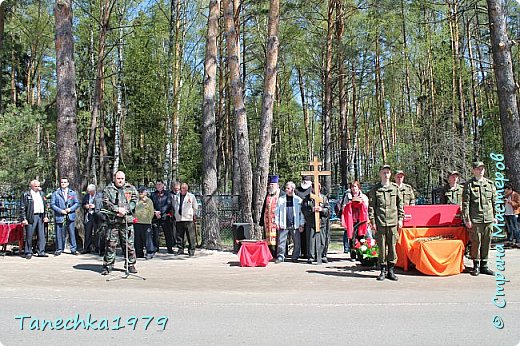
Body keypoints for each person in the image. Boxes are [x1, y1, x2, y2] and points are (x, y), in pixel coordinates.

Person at [369, 165, 404, 281]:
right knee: (382, 247)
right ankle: (383, 270)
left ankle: (391, 270)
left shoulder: (395, 188)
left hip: (393, 222)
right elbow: (372, 207)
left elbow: (400, 205)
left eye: (388, 172)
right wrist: (372, 221)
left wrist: (400, 219)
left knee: (392, 247)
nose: (386, 175)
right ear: (380, 174)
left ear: (390, 174)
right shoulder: (375, 189)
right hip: (380, 222)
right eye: (384, 172)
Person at [101, 171, 138, 275]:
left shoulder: (130, 188)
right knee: (110, 244)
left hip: (127, 221)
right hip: (113, 222)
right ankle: (108, 266)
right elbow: (105, 202)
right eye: (118, 178)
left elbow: (135, 200)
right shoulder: (108, 189)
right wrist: (117, 209)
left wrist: (125, 210)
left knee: (129, 245)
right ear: (114, 179)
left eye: (122, 178)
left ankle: (130, 265)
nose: (120, 180)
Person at [462, 161, 496, 276]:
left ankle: (484, 265)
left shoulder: (490, 184)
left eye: (482, 168)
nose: (480, 170)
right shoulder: (469, 185)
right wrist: (467, 219)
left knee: (487, 242)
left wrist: (495, 217)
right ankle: (475, 265)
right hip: (475, 219)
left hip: (488, 218)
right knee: (476, 242)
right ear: (473, 170)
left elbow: (494, 202)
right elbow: (465, 204)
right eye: (478, 168)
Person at [274, 181, 304, 263]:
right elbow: (276, 212)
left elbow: (301, 214)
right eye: (286, 188)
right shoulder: (281, 199)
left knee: (297, 242)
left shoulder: (298, 200)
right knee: (281, 242)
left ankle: (295, 257)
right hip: (284, 224)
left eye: (288, 188)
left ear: (292, 189)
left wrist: (302, 224)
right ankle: (280, 256)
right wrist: (276, 222)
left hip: (295, 224)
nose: (286, 190)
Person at [19, 180, 49, 259]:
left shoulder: (42, 194)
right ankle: (28, 251)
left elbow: (45, 206)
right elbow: (22, 208)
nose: (38, 188)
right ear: (31, 186)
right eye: (36, 186)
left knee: (41, 234)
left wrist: (46, 216)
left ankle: (41, 251)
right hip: (31, 216)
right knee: (29, 234)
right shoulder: (26, 194)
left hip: (41, 216)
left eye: (39, 186)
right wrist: (24, 218)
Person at [51, 177, 80, 256]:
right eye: (62, 182)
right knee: (59, 233)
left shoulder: (72, 193)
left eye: (65, 182)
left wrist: (70, 209)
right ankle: (59, 249)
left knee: (72, 233)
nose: (63, 183)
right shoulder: (56, 193)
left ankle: (73, 249)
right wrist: (60, 211)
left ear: (68, 183)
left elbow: (77, 203)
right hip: (60, 215)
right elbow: (52, 205)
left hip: (70, 215)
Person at [301, 182, 330, 264]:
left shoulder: (324, 198)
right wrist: (311, 210)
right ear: (312, 188)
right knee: (311, 240)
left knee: (322, 240)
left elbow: (328, 211)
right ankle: (311, 256)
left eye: (319, 187)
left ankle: (322, 256)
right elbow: (304, 210)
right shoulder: (307, 198)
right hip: (311, 222)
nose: (317, 189)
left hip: (321, 223)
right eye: (315, 187)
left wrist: (321, 209)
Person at [341, 181, 369, 260]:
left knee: (361, 237)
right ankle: (352, 254)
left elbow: (366, 208)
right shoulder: (348, 196)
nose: (354, 188)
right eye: (352, 187)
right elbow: (344, 207)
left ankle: (360, 254)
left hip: (361, 219)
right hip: (351, 219)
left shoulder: (364, 197)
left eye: (355, 187)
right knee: (351, 237)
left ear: (358, 188)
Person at [173, 183, 198, 256]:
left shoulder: (191, 196)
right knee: (179, 235)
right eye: (181, 188)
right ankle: (180, 249)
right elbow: (174, 205)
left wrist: (193, 214)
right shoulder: (176, 196)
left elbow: (195, 206)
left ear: (187, 189)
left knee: (190, 235)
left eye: (184, 188)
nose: (182, 189)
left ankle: (191, 250)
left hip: (188, 218)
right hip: (179, 218)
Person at [259, 175, 281, 256]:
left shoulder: (280, 194)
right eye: (270, 184)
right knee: (268, 238)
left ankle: (279, 253)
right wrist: (261, 221)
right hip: (268, 221)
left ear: (277, 185)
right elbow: (264, 207)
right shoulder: (268, 195)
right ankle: (270, 253)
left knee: (278, 238)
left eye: (273, 184)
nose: (271, 186)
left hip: (277, 221)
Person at [151, 180, 174, 253]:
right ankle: (155, 248)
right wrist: (155, 212)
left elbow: (168, 204)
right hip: (155, 216)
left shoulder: (168, 194)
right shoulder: (153, 195)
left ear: (163, 185)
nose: (158, 186)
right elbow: (151, 205)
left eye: (160, 184)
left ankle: (170, 248)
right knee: (155, 233)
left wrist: (160, 212)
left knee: (168, 233)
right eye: (157, 185)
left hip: (165, 216)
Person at [134, 187, 156, 259]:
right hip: (137, 222)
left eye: (142, 192)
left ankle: (150, 252)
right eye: (139, 192)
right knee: (138, 239)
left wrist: (149, 219)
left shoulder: (148, 201)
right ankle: (139, 252)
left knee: (147, 238)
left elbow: (151, 211)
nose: (140, 193)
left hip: (146, 222)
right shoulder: (136, 201)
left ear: (145, 192)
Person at [81, 184, 103, 254]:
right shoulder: (86, 196)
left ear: (94, 190)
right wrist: (86, 206)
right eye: (89, 191)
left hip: (97, 215)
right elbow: (83, 204)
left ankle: (98, 248)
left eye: (91, 191)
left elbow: (103, 205)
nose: (90, 193)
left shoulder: (99, 195)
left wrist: (95, 206)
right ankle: (87, 248)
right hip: (89, 215)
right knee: (88, 232)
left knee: (97, 232)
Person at [295, 176, 313, 258]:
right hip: (299, 215)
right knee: (301, 235)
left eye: (307, 180)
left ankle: (309, 252)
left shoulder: (313, 189)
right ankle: (303, 252)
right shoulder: (297, 190)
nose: (305, 182)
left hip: (310, 215)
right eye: (304, 180)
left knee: (310, 236)